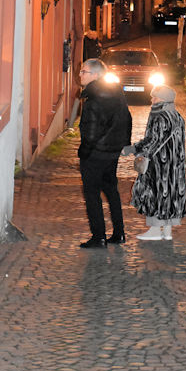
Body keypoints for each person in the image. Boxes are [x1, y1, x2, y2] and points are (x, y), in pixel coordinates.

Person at [78, 58, 132, 248]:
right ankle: (119, 233)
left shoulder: (93, 99)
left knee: (92, 194)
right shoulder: (117, 95)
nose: (80, 75)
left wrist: (85, 152)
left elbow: (90, 132)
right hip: (112, 152)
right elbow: (127, 119)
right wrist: (123, 144)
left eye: (84, 71)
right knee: (111, 191)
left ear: (95, 75)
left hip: (95, 154)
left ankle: (98, 236)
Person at [122, 85, 186, 241]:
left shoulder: (159, 116)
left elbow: (153, 140)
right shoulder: (177, 116)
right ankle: (167, 231)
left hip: (158, 164)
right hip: (175, 165)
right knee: (170, 194)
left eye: (155, 97)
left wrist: (133, 149)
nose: (152, 100)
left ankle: (155, 230)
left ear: (162, 100)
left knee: (154, 193)